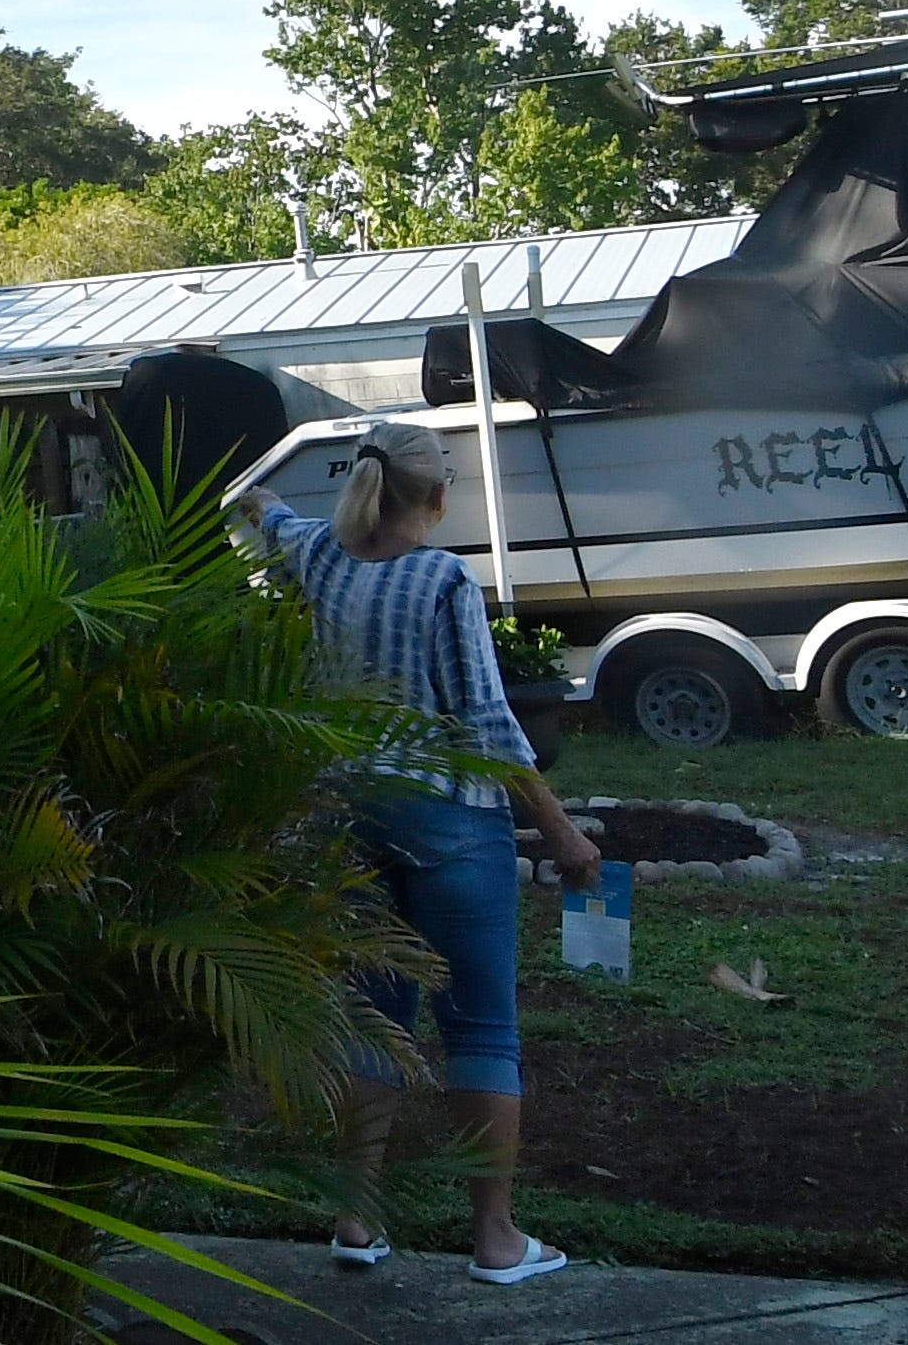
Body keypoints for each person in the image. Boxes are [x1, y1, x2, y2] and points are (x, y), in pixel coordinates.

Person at [248, 420, 600, 1287]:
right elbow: (487, 724)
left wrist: (257, 498)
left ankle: (356, 1215)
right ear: (437, 498)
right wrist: (560, 832)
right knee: (481, 1023)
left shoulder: (316, 556)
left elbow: (259, 509)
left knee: (376, 1013)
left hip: (348, 817)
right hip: (449, 816)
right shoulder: (443, 579)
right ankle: (496, 1239)